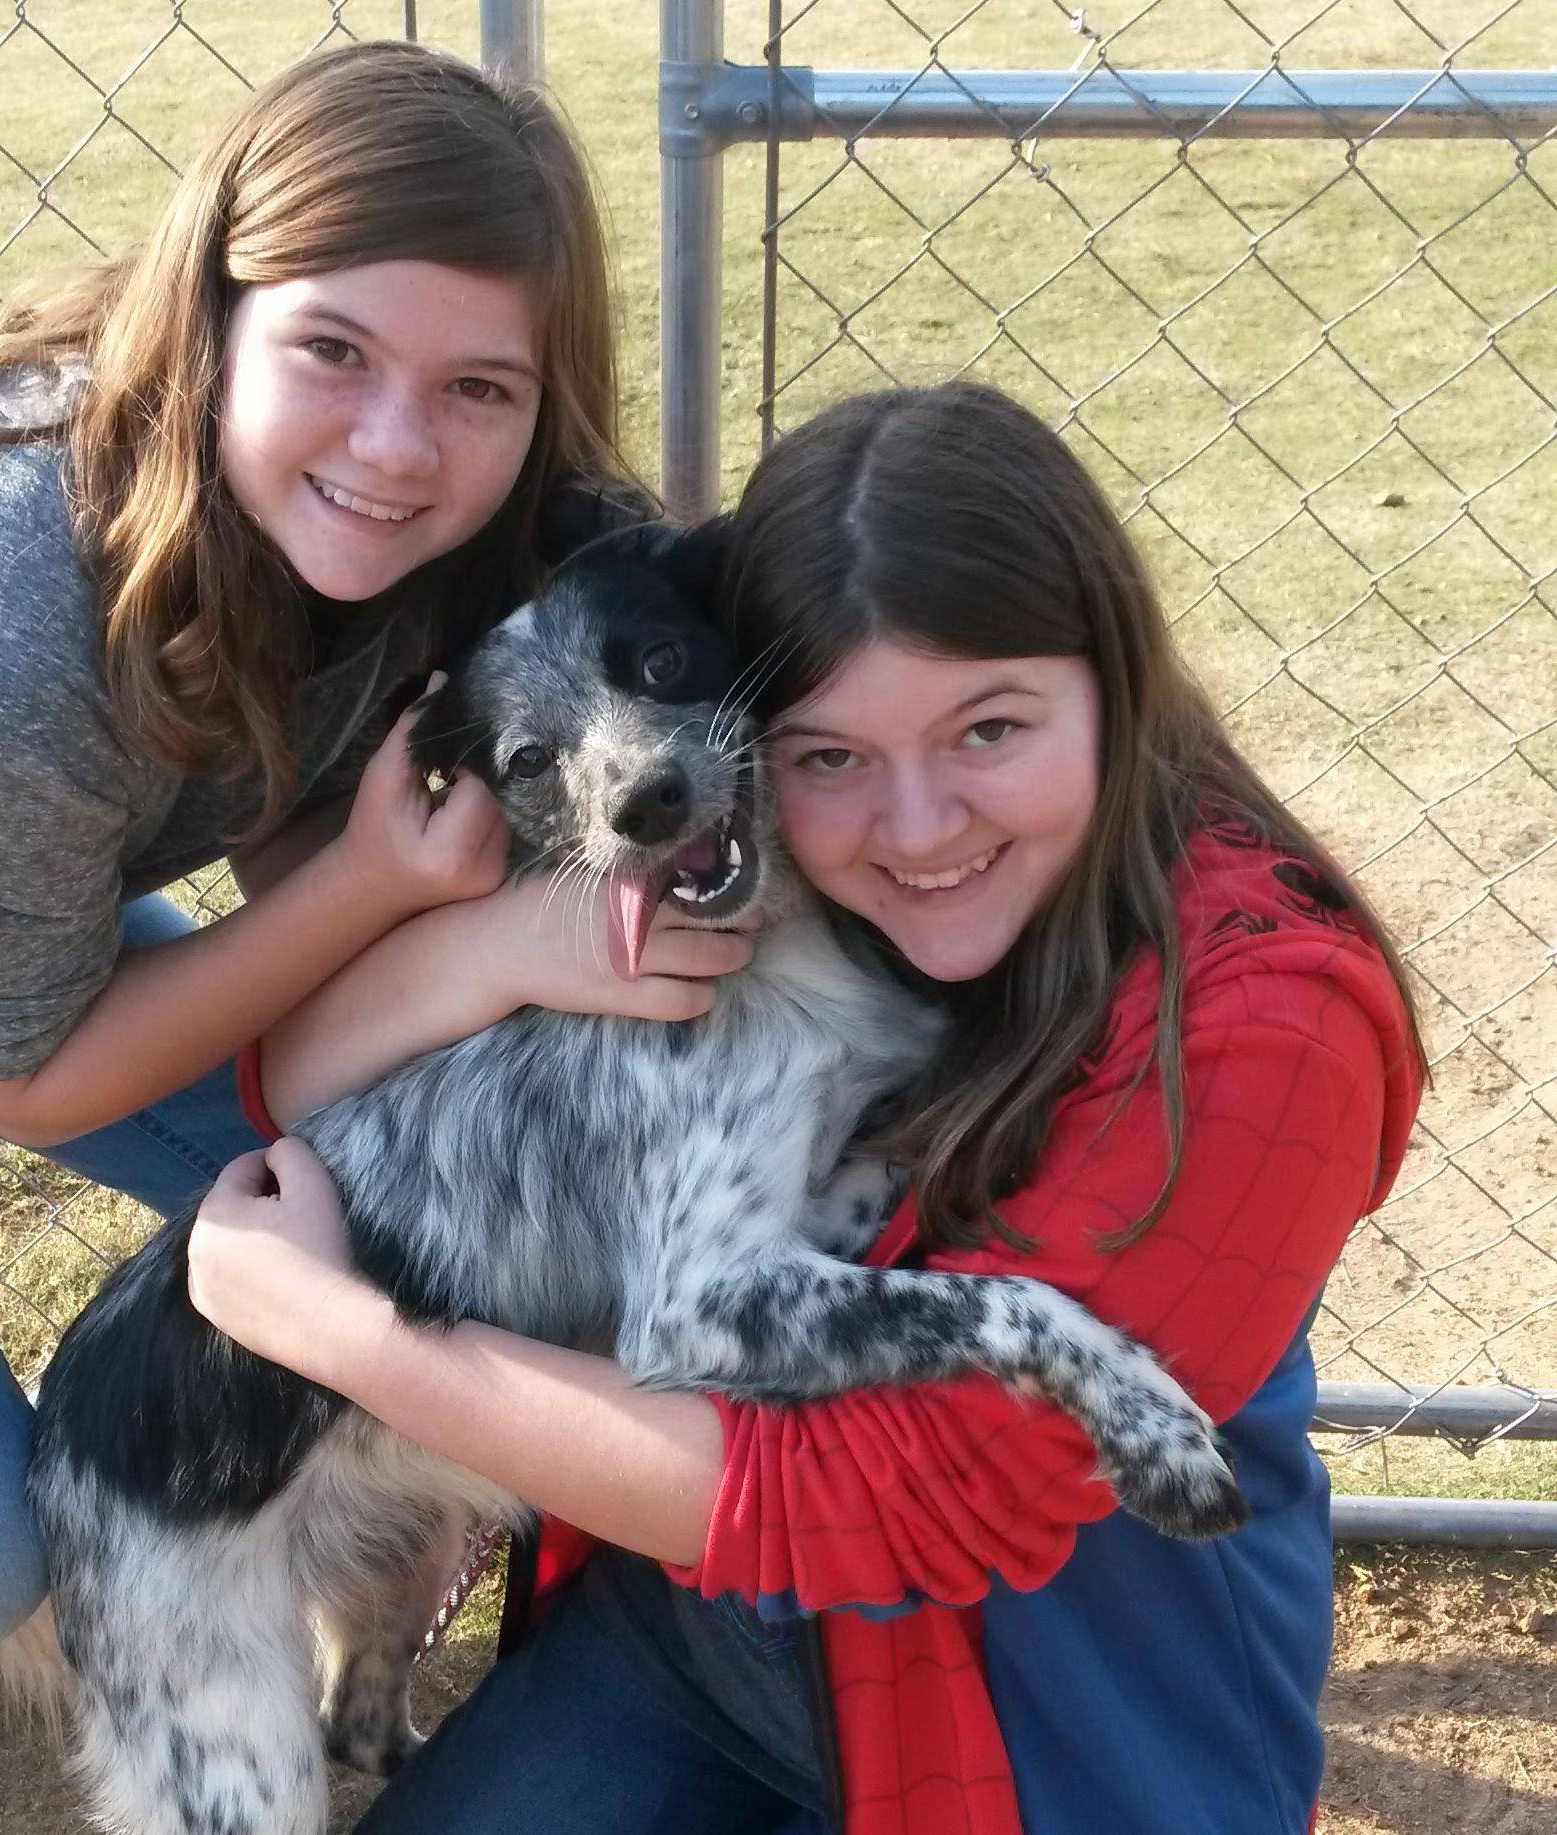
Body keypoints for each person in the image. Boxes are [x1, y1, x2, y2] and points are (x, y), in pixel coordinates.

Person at [185, 380, 1427, 1835]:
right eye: (831, 752)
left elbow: (890, 1504)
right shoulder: (726, 861)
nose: (918, 827)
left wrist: (354, 1338)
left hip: (1043, 1699)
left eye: (991, 728)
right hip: (708, 1615)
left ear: (1115, 672)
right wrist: (482, 948)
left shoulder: (1268, 1022)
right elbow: (309, 1075)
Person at [0, 41, 728, 1833]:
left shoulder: (487, 513)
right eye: (332, 351)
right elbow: (32, 1077)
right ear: (212, 308)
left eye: (478, 387)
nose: (400, 446)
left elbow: (296, 765)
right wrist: (369, 893)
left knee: (398, 1239)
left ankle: (350, 1589)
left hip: (14, 899)